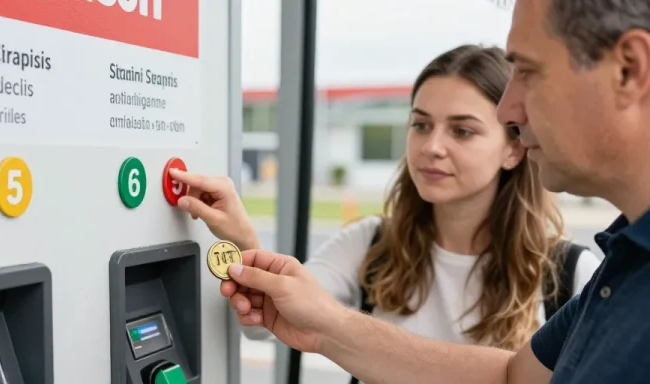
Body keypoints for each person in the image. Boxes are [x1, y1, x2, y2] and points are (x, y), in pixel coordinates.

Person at [176, 1, 650, 383]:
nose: (432, 147)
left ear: (629, 69)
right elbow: (510, 376)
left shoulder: (574, 272)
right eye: (420, 124)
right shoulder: (618, 272)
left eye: (463, 131)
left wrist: (328, 326)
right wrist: (311, 312)